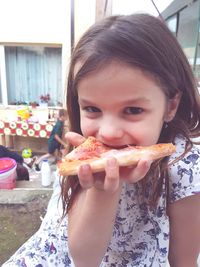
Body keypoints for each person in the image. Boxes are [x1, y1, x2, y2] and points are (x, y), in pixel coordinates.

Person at [2, 13, 200, 267]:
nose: (108, 133)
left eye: (133, 110)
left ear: (171, 105)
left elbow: (184, 261)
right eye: (93, 109)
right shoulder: (83, 155)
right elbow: (83, 258)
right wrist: (104, 189)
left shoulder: (185, 167)